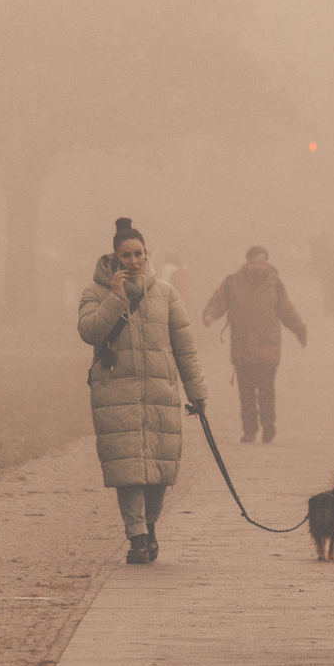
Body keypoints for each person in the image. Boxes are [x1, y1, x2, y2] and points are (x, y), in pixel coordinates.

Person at [79, 217, 208, 565]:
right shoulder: (95, 292)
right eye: (125, 256)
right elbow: (89, 331)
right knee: (129, 470)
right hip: (115, 393)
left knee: (159, 470)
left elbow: (184, 347)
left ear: (146, 254)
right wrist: (115, 299)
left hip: (159, 393)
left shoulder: (166, 293)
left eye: (138, 254)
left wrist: (196, 391)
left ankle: (150, 525)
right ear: (115, 257)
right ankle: (136, 535)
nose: (133, 261)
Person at [203, 245, 307, 443]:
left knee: (267, 390)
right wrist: (209, 315)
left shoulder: (274, 284)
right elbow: (218, 301)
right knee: (246, 393)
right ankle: (249, 430)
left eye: (261, 262)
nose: (257, 266)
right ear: (247, 262)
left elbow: (286, 310)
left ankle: (269, 427)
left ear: (267, 263)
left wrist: (300, 330)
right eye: (253, 262)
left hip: (268, 347)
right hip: (242, 348)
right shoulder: (232, 283)